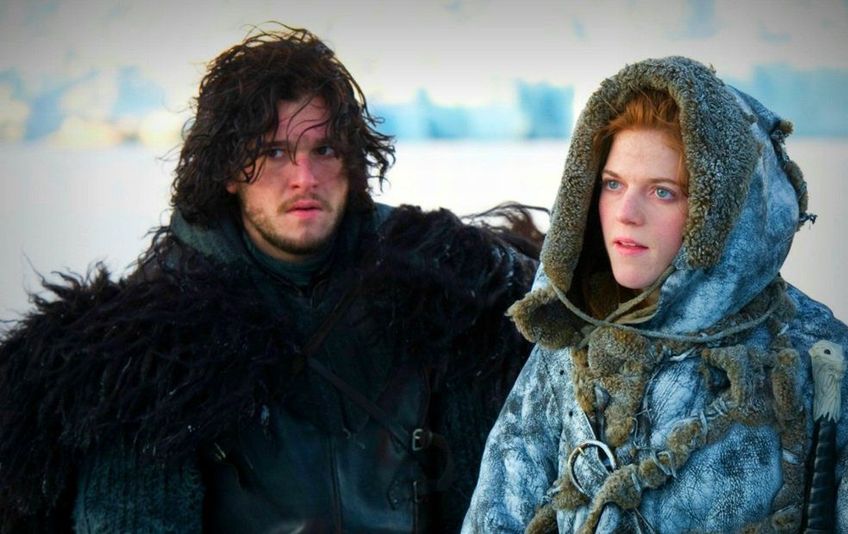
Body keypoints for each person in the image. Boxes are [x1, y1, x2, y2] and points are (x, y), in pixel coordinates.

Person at [0, 26, 540, 532]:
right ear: (229, 170)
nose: (304, 177)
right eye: (274, 152)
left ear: (351, 161)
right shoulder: (150, 341)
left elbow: (494, 501)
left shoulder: (443, 286)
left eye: (323, 150)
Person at [463, 56, 848, 532]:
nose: (626, 213)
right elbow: (496, 516)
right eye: (613, 184)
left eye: (663, 191)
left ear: (719, 216)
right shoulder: (569, 352)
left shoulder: (817, 361)